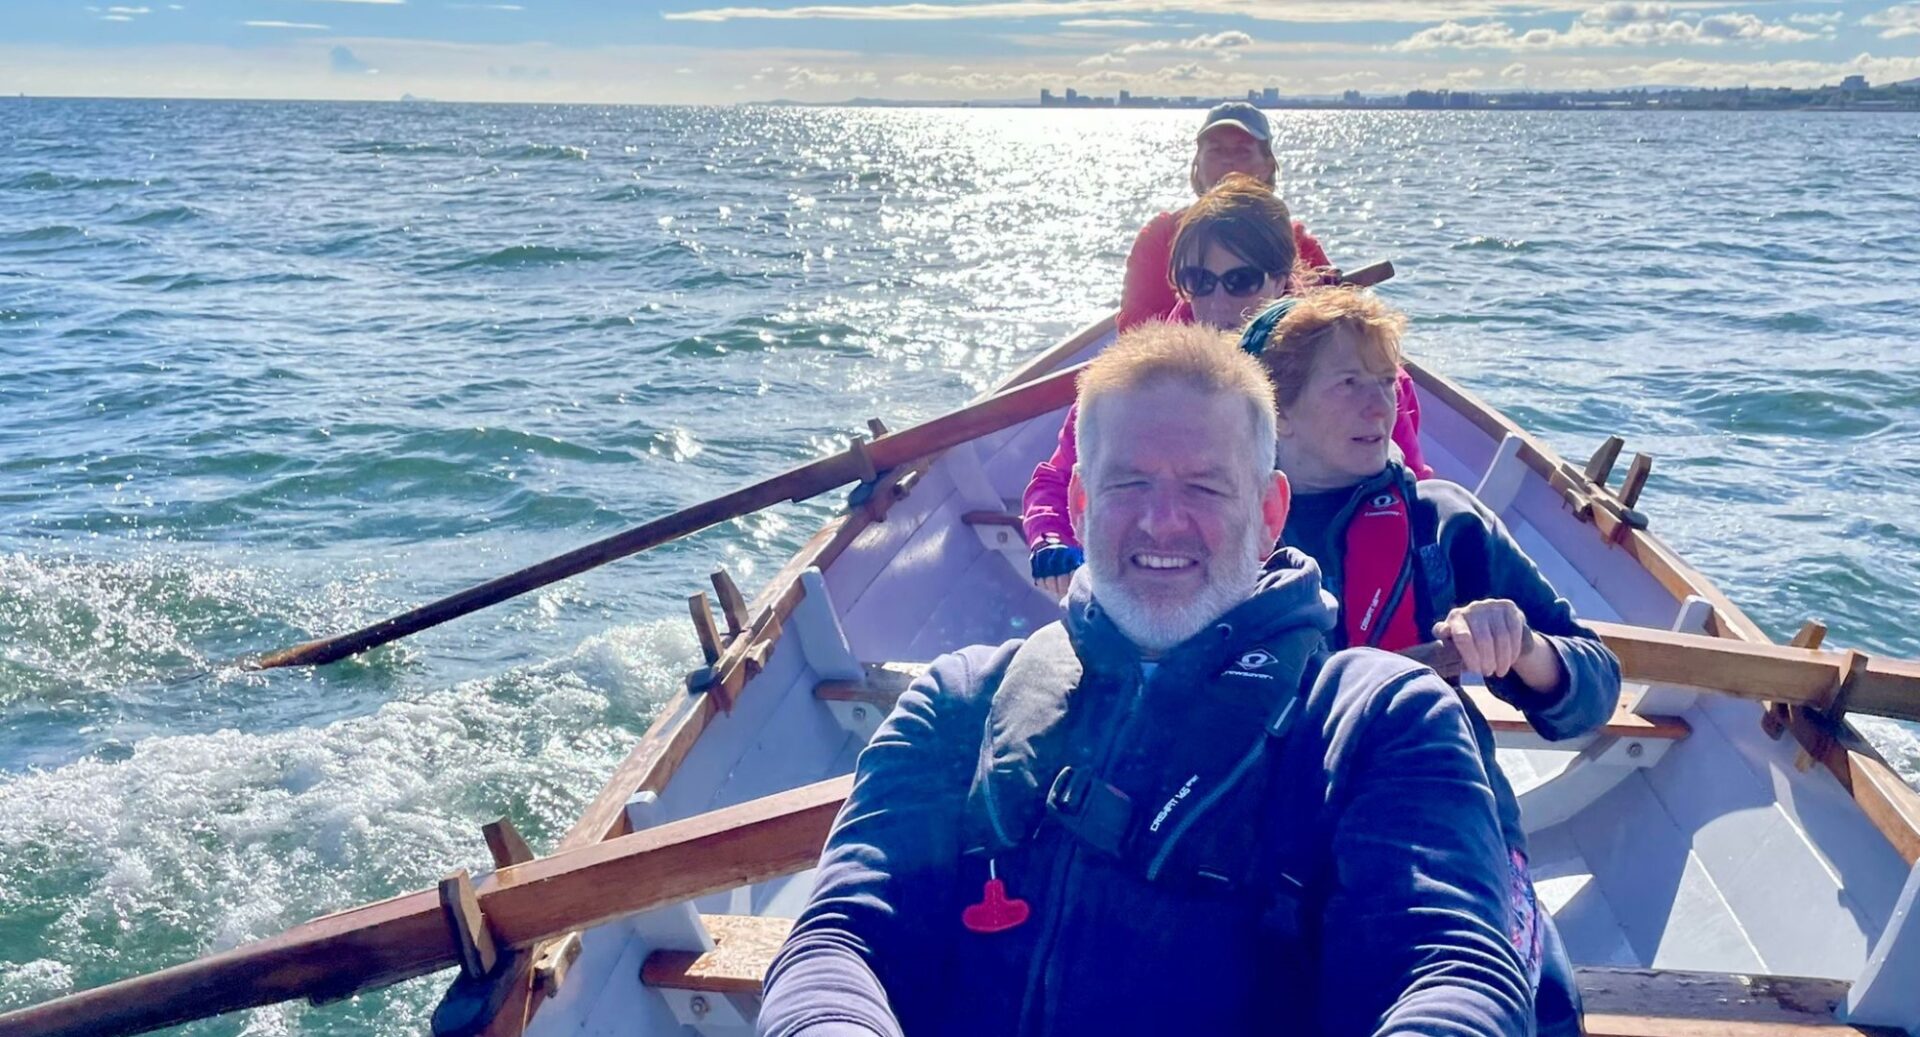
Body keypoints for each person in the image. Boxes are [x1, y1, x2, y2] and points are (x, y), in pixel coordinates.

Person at [758, 324, 1531, 1037]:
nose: (1163, 521)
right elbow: (839, 938)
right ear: (1082, 505)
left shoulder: (1378, 722)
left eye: (1204, 486)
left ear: (1268, 514)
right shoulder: (961, 701)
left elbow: (1455, 970)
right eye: (1129, 485)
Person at [1243, 288, 1620, 1037]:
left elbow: (1595, 686)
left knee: (1538, 1009)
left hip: (1439, 819)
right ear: (1276, 409)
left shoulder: (1441, 524)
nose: (1378, 404)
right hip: (1272, 825)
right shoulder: (1222, 527)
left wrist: (1526, 651)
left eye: (1386, 381)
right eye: (1348, 382)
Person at [1022, 177, 1430, 598]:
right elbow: (1058, 481)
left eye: (1241, 281)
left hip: (1332, 587)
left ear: (1280, 279)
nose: (1218, 303)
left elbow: (1414, 489)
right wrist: (1053, 539)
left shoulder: (1363, 379)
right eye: (1200, 281)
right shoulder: (1139, 374)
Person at [1118, 102, 1331, 333]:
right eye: (1216, 150)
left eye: (1242, 151)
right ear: (1197, 162)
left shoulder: (1298, 242)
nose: (1228, 162)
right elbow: (1133, 325)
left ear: (1268, 165)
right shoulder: (1161, 236)